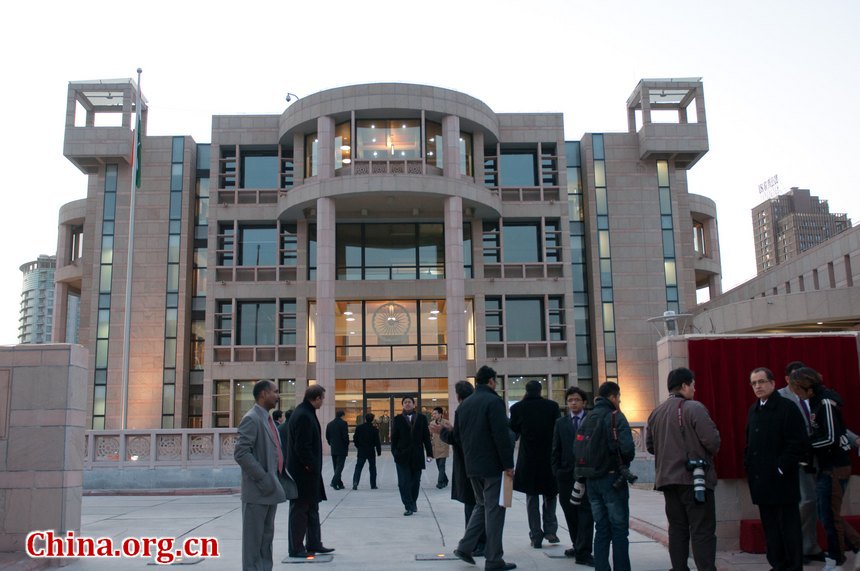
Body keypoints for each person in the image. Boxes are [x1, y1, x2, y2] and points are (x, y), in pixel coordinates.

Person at [646, 367, 720, 571]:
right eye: (693, 385)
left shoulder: (656, 412)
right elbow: (712, 442)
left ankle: (679, 568)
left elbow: (650, 446)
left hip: (667, 481)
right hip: (694, 480)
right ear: (685, 385)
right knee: (701, 529)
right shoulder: (694, 408)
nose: (695, 390)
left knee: (677, 530)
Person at [453, 365, 517, 571]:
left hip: (472, 466)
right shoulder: (493, 401)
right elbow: (500, 435)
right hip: (493, 466)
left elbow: (459, 437)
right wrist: (508, 464)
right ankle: (494, 559)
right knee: (495, 511)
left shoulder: (464, 405)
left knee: (481, 506)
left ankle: (465, 547)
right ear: (491, 381)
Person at [790, 366, 853, 568]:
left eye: (796, 388)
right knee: (826, 513)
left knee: (829, 517)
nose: (795, 393)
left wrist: (806, 447)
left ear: (805, 386)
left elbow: (831, 438)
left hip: (834, 466)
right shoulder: (815, 401)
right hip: (824, 466)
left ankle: (836, 558)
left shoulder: (824, 402)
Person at [745, 367, 806, 571]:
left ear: (772, 382)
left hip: (782, 481)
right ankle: (777, 564)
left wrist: (781, 468)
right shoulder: (754, 409)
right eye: (754, 383)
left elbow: (797, 442)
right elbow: (750, 444)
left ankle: (793, 566)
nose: (758, 386)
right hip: (761, 481)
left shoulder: (787, 407)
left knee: (787, 526)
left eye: (761, 381)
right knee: (770, 527)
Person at [575, 381, 635, 571]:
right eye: (618, 397)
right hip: (612, 480)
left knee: (601, 528)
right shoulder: (615, 416)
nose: (619, 401)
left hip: (592, 481)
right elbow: (628, 449)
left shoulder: (588, 417)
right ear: (613, 396)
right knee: (619, 530)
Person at [234, 379, 287, 571]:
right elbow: (241, 453)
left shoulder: (267, 418)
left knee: (266, 541)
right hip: (257, 491)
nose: (278, 395)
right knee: (253, 544)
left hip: (270, 489)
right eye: (275, 391)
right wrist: (263, 478)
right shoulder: (252, 418)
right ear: (263, 394)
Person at [432, 381, 486, 557]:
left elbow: (459, 438)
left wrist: (443, 432)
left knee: (475, 506)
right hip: (480, 464)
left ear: (458, 396)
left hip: (470, 466)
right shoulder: (481, 407)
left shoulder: (464, 409)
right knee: (481, 505)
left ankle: (475, 544)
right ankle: (478, 543)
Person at [510, 379, 560, 549]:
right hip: (548, 458)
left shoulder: (517, 408)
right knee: (551, 494)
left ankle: (536, 535)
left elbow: (513, 435)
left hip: (528, 459)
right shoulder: (552, 407)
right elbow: (558, 432)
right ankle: (551, 530)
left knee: (531, 498)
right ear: (540, 390)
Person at [286, 385, 334, 558]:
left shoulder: (306, 412)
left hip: (309, 472)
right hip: (303, 474)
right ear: (317, 398)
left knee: (312, 508)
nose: (323, 402)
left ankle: (314, 543)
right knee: (300, 510)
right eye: (322, 398)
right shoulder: (303, 416)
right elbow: (302, 447)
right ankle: (296, 548)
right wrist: (310, 466)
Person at [551, 386, 594, 565]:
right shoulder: (561, 423)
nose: (573, 403)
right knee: (570, 513)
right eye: (570, 400)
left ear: (584, 402)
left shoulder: (591, 421)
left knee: (586, 514)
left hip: (586, 475)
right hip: (566, 476)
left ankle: (584, 551)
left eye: (577, 400)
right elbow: (555, 449)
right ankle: (578, 546)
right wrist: (557, 472)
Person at [390, 396, 433, 516]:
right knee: (403, 482)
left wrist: (429, 453)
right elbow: (394, 438)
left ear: (414, 405)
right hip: (402, 456)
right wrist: (395, 453)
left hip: (417, 455)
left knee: (415, 482)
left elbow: (426, 437)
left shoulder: (422, 418)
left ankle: (413, 502)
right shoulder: (397, 419)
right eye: (405, 402)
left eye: (409, 402)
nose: (407, 404)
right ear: (402, 405)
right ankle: (408, 506)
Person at [352, 412, 382, 490]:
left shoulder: (359, 428)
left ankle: (355, 482)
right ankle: (373, 484)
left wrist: (358, 446)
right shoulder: (374, 429)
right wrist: (379, 451)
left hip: (361, 450)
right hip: (371, 451)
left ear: (365, 419)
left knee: (358, 467)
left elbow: (355, 438)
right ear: (372, 420)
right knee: (372, 468)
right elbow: (377, 441)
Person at [325, 410, 349, 490]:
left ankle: (340, 483)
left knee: (336, 466)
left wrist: (330, 443)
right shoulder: (343, 423)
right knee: (340, 466)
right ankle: (334, 482)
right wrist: (347, 444)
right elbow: (345, 436)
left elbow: (327, 436)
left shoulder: (330, 424)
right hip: (342, 448)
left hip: (333, 448)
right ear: (342, 416)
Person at [431, 406, 450, 489]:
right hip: (435, 447)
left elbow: (451, 433)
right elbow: (430, 434)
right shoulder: (432, 423)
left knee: (442, 465)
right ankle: (445, 479)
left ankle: (440, 482)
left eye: (435, 413)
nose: (434, 415)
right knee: (439, 466)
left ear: (440, 414)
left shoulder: (446, 422)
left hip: (443, 446)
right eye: (433, 413)